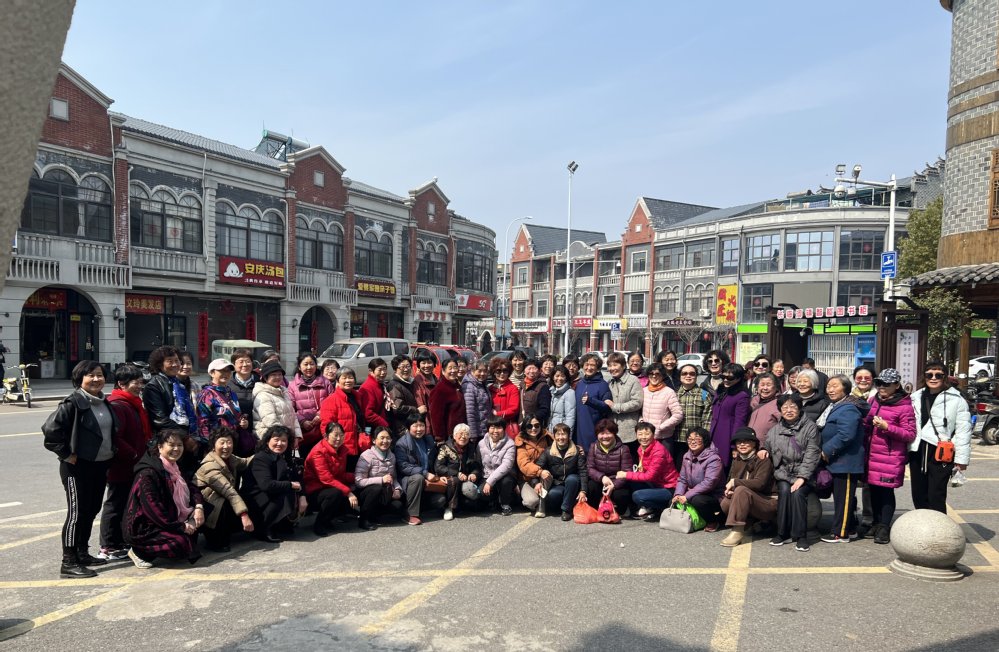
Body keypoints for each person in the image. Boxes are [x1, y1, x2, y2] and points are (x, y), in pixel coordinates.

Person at [43, 360, 117, 578]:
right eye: (90, 375)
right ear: (79, 378)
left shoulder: (103, 401)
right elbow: (50, 432)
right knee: (76, 513)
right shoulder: (72, 403)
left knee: (91, 509)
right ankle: (68, 562)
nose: (96, 379)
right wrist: (66, 454)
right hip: (77, 468)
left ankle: (82, 553)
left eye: (99, 375)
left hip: (100, 465)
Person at [124, 429, 205, 569]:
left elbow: (192, 488)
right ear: (160, 447)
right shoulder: (148, 474)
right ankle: (138, 552)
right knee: (181, 543)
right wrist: (181, 526)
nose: (176, 449)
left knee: (204, 512)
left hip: (171, 517)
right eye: (171, 445)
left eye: (179, 445)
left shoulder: (175, 467)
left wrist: (199, 507)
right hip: (147, 527)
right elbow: (154, 510)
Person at [100, 364, 153, 561]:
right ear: (121, 384)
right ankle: (108, 546)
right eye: (135, 383)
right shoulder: (118, 405)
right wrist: (133, 455)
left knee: (126, 503)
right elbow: (116, 437)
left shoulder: (133, 403)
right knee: (115, 504)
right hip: (121, 466)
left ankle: (121, 541)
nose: (139, 386)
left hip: (134, 463)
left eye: (140, 382)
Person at [909, 360, 972, 513]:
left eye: (938, 375)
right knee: (918, 493)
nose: (933, 378)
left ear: (945, 377)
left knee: (936, 494)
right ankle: (923, 523)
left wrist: (961, 460)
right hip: (917, 449)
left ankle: (939, 525)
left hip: (941, 451)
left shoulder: (956, 399)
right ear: (924, 377)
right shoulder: (915, 397)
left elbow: (963, 431)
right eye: (929, 375)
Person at [863, 368, 917, 544]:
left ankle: (884, 526)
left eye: (886, 384)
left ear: (896, 385)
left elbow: (909, 434)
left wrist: (887, 427)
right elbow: (866, 422)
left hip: (890, 456)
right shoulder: (874, 400)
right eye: (879, 383)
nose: (881, 387)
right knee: (873, 491)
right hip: (872, 454)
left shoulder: (904, 406)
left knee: (886, 492)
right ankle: (876, 523)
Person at [761, 394, 821, 552]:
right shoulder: (775, 430)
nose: (789, 410)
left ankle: (801, 536)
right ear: (780, 410)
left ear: (800, 408)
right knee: (784, 490)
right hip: (783, 473)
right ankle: (782, 533)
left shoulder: (810, 427)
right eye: (785, 407)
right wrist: (763, 450)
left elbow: (812, 454)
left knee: (798, 493)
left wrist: (802, 477)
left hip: (805, 473)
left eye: (793, 406)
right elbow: (767, 445)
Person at [818, 375, 866, 544]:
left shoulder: (848, 408)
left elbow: (846, 435)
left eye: (834, 386)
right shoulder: (835, 405)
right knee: (843, 498)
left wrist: (827, 450)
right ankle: (850, 528)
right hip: (837, 460)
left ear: (845, 388)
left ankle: (840, 533)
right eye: (828, 386)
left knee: (843, 499)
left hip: (846, 461)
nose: (830, 390)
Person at [240, 425, 306, 542]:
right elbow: (266, 485)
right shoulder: (261, 458)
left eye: (284, 440)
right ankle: (263, 529)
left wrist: (302, 496)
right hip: (256, 499)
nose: (280, 443)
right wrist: (290, 485)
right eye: (276, 440)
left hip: (271, 494)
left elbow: (297, 478)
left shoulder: (285, 457)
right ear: (267, 441)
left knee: (289, 490)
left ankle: (280, 524)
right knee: (286, 491)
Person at [195, 427, 254, 551]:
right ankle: (213, 539)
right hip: (208, 509)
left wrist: (265, 453)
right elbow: (229, 492)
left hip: (221, 504)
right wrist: (244, 515)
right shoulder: (209, 465)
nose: (226, 446)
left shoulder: (231, 459)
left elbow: (245, 462)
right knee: (225, 501)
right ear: (213, 445)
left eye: (229, 442)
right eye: (222, 443)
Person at [719, 427, 775, 547]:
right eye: (739, 442)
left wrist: (735, 483)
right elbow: (735, 482)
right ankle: (751, 523)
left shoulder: (763, 459)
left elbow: (760, 484)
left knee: (741, 490)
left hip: (769, 501)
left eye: (747, 441)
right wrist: (731, 491)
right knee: (726, 503)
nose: (742, 444)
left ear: (754, 443)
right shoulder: (737, 459)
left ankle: (737, 530)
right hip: (750, 498)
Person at [303, 421, 359, 537]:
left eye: (341, 435)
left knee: (357, 487)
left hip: (329, 487)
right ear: (326, 436)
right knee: (336, 494)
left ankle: (328, 519)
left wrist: (358, 478)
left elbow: (340, 474)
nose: (338, 438)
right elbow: (326, 479)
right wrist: (348, 492)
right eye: (335, 435)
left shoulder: (342, 450)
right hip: (315, 490)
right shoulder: (318, 452)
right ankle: (319, 524)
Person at [617, 421, 678, 520]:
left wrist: (626, 474)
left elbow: (649, 476)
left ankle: (663, 507)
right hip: (655, 484)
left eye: (647, 434)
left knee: (638, 496)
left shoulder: (659, 451)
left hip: (669, 487)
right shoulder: (641, 448)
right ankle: (647, 507)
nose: (643, 437)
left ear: (653, 435)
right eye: (640, 434)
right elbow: (642, 472)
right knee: (631, 481)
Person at [394, 414, 446, 525]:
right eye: (415, 426)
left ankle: (420, 508)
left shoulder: (429, 440)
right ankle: (410, 514)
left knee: (440, 500)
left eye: (422, 425)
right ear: (408, 427)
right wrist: (425, 474)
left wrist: (439, 475)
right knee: (418, 478)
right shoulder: (401, 444)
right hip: (409, 480)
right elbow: (403, 466)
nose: (419, 429)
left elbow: (436, 461)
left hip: (428, 481)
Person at [198, 358, 256, 457]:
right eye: (222, 371)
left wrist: (242, 422)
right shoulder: (206, 394)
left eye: (228, 371)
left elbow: (236, 415)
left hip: (233, 443)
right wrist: (208, 446)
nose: (226, 374)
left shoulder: (231, 393)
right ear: (212, 373)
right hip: (216, 445)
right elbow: (202, 422)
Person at [672, 427, 725, 531]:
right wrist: (678, 494)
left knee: (698, 501)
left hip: (713, 495)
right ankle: (695, 520)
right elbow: (682, 479)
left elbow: (709, 483)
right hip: (693, 493)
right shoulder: (687, 456)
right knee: (672, 501)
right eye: (690, 439)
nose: (693, 442)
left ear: (705, 440)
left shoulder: (714, 459)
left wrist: (687, 496)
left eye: (697, 439)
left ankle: (714, 521)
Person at [534, 423, 588, 521]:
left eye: (563, 434)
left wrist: (583, 490)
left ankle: (566, 511)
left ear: (568, 436)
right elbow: (537, 468)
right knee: (552, 495)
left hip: (573, 484)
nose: (561, 437)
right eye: (558, 434)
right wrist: (536, 482)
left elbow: (583, 471)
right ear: (554, 436)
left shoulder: (577, 451)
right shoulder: (548, 451)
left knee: (572, 479)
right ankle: (568, 504)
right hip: (557, 483)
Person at [354, 428, 404, 530]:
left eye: (388, 438)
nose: (385, 441)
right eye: (382, 438)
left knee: (398, 506)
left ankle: (374, 515)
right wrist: (381, 480)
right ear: (374, 440)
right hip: (366, 492)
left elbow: (393, 478)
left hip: (384, 493)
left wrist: (398, 489)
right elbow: (358, 481)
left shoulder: (392, 456)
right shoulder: (366, 456)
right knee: (376, 488)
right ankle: (363, 519)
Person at [319, 368, 367, 467]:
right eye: (344, 378)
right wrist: (333, 448)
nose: (348, 380)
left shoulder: (358, 397)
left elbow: (363, 420)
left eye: (350, 377)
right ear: (337, 381)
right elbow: (326, 427)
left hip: (360, 445)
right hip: (342, 448)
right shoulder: (331, 401)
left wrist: (367, 435)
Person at [287, 353, 333, 459]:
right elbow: (290, 408)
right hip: (305, 433)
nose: (309, 367)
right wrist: (302, 421)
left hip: (323, 429)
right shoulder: (292, 386)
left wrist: (320, 415)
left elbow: (331, 403)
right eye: (305, 364)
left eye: (312, 364)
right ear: (299, 367)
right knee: (306, 460)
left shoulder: (326, 383)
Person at [435, 423, 483, 520]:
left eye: (466, 434)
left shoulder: (472, 447)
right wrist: (456, 473)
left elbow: (476, 466)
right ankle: (449, 508)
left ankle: (462, 505)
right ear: (454, 435)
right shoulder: (445, 447)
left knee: (471, 498)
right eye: (460, 434)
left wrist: (474, 474)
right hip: (450, 479)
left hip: (466, 480)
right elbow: (438, 467)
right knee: (455, 480)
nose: (463, 437)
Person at [585, 419, 634, 516]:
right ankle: (596, 510)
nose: (605, 437)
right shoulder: (593, 447)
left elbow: (627, 471)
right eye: (601, 433)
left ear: (614, 434)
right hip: (600, 481)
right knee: (591, 486)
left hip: (617, 482)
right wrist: (602, 477)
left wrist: (614, 485)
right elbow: (590, 468)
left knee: (621, 494)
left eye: (608, 433)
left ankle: (619, 511)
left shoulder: (624, 449)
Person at [710, 363, 751, 469]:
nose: (725, 380)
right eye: (723, 376)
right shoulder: (720, 390)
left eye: (730, 378)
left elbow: (739, 422)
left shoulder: (742, 396)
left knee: (723, 465)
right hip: (714, 433)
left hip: (727, 435)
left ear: (739, 378)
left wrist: (735, 445)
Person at [674, 363, 713, 472]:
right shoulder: (674, 394)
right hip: (677, 439)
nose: (688, 376)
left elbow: (707, 420)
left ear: (696, 376)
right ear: (680, 376)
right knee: (679, 469)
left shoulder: (704, 394)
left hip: (696, 441)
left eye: (692, 373)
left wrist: (702, 439)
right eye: (684, 373)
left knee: (695, 470)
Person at [252, 360, 303, 442]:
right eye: (273, 375)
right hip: (272, 440)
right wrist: (287, 439)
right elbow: (271, 422)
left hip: (285, 439)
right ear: (265, 378)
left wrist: (297, 436)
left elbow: (293, 416)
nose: (278, 377)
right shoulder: (263, 395)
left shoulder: (284, 392)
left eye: (280, 374)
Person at [641, 362, 683, 459]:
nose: (654, 376)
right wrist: (641, 421)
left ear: (662, 376)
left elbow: (678, 415)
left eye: (657, 374)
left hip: (664, 438)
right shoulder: (644, 391)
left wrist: (661, 427)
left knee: (664, 464)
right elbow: (639, 410)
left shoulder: (669, 392)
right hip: (647, 436)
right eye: (651, 374)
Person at [607, 352, 645, 457]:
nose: (612, 368)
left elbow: (637, 402)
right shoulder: (610, 382)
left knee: (630, 460)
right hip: (612, 430)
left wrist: (616, 407)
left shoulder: (633, 380)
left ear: (624, 366)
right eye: (610, 365)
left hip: (628, 431)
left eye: (615, 365)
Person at [515, 416, 554, 517]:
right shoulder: (520, 441)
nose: (533, 428)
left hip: (544, 477)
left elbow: (562, 443)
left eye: (537, 425)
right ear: (524, 427)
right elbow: (524, 464)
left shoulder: (547, 437)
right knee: (531, 502)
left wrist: (576, 447)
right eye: (529, 426)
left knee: (547, 475)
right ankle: (533, 500)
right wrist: (539, 472)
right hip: (527, 479)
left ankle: (541, 506)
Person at [478, 416, 518, 515]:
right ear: (488, 429)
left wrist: (489, 482)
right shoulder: (481, 443)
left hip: (505, 476)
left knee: (506, 481)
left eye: (499, 427)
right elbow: (478, 462)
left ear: (504, 429)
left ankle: (505, 504)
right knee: (482, 493)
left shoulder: (510, 444)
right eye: (492, 427)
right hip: (486, 475)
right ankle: (494, 500)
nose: (495, 431)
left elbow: (506, 465)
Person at [575, 353, 612, 450]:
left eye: (592, 365)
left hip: (594, 428)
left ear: (597, 368)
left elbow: (607, 407)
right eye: (586, 365)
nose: (589, 368)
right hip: (579, 429)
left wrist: (591, 401)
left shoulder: (602, 385)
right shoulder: (580, 384)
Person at [143, 345, 182, 434]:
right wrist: (183, 432)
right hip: (166, 434)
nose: (175, 364)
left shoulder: (179, 384)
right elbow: (159, 419)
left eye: (177, 360)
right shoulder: (153, 386)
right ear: (160, 365)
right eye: (170, 361)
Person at [429, 358, 466, 443]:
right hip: (448, 435)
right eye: (450, 368)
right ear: (443, 371)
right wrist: (440, 437)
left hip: (460, 432)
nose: (453, 371)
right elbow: (436, 416)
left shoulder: (456, 385)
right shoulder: (440, 389)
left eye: (455, 367)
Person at [386, 355, 424, 439]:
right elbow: (398, 408)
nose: (406, 369)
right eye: (402, 367)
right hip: (403, 430)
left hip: (413, 426)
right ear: (395, 369)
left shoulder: (410, 382)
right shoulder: (393, 385)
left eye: (408, 366)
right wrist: (417, 410)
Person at [228, 348, 259, 436]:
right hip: (234, 432)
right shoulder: (227, 384)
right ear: (233, 365)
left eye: (248, 361)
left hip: (256, 430)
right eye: (241, 362)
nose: (245, 365)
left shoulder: (260, 382)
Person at [357, 358, 390, 433]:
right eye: (379, 370)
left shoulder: (380, 384)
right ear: (371, 371)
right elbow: (368, 414)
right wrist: (385, 424)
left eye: (384, 369)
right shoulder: (367, 387)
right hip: (375, 428)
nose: (383, 372)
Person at [489, 358, 520, 437]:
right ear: (494, 372)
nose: (502, 374)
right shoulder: (490, 388)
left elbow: (514, 409)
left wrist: (497, 414)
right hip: (492, 426)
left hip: (507, 426)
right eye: (498, 371)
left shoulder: (513, 388)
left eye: (505, 371)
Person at [462, 360, 492, 442]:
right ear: (472, 371)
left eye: (485, 371)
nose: (482, 373)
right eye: (479, 371)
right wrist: (473, 434)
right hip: (477, 432)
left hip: (483, 428)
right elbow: (469, 412)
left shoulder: (481, 383)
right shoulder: (469, 386)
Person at [175, 351, 201, 442]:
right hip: (175, 433)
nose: (185, 366)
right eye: (182, 363)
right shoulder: (170, 385)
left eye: (189, 363)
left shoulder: (196, 386)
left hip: (194, 433)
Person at [748, 372, 780, 443]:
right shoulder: (752, 401)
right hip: (749, 445)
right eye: (762, 385)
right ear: (757, 387)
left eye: (769, 385)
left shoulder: (779, 403)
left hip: (768, 445)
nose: (765, 388)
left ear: (776, 387)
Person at [519, 358, 551, 427]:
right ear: (524, 371)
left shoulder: (543, 386)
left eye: (534, 368)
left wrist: (531, 420)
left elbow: (544, 409)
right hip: (521, 425)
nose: (531, 371)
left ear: (539, 371)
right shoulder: (522, 385)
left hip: (535, 426)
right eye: (529, 368)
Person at [549, 365, 577, 434]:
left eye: (562, 376)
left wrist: (568, 435)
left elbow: (570, 417)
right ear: (553, 377)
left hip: (561, 433)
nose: (559, 378)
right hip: (551, 431)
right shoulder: (551, 391)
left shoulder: (570, 393)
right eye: (557, 376)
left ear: (566, 378)